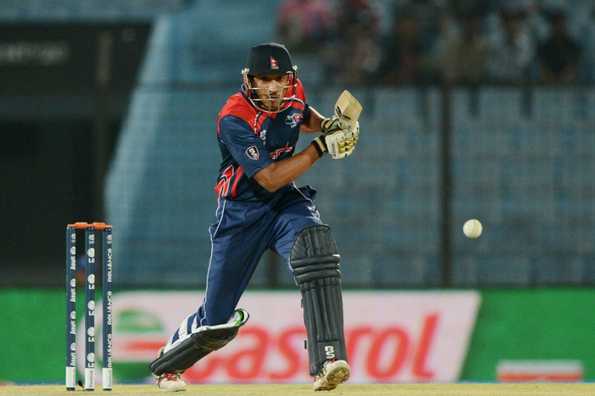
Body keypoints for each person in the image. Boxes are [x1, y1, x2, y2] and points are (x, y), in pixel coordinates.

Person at [149, 42, 359, 392]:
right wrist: (322, 147)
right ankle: (167, 365)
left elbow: (300, 114)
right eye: (265, 79)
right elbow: (269, 177)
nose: (274, 87)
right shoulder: (233, 117)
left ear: (290, 78)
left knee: (316, 248)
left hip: (284, 205)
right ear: (249, 80)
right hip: (240, 213)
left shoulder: (293, 95)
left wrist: (329, 125)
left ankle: (326, 359)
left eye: (280, 78)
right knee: (216, 321)